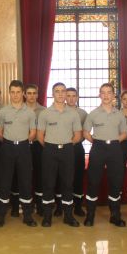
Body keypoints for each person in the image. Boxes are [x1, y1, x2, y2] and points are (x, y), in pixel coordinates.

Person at [37, 82, 82, 227]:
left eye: (63, 91)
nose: (61, 94)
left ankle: (68, 216)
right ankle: (47, 216)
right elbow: (40, 136)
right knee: (48, 183)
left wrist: (66, 145)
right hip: (49, 150)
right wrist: (51, 146)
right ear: (52, 94)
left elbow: (77, 135)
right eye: (57, 91)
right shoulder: (45, 113)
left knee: (68, 183)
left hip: (68, 150)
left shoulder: (73, 113)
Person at [83, 83, 127, 227]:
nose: (106, 95)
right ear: (99, 95)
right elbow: (85, 132)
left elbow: (124, 133)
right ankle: (90, 215)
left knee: (116, 181)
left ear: (113, 95)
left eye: (109, 92)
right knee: (93, 181)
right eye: (103, 92)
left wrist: (113, 142)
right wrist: (96, 142)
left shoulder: (119, 114)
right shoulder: (93, 114)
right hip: (98, 148)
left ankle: (115, 216)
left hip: (115, 148)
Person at [0, 80, 37, 227]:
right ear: (9, 93)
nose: (15, 95)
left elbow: (33, 132)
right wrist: (10, 142)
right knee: (4, 182)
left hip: (24, 148)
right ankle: (0, 217)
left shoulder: (30, 112)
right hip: (7, 148)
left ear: (23, 93)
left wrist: (22, 142)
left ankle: (27, 216)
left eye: (18, 92)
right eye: (12, 92)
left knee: (25, 182)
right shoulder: (3, 112)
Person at [66, 87, 88, 217]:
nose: (71, 98)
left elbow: (85, 132)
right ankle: (61, 206)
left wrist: (75, 141)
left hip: (77, 148)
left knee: (78, 177)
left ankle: (78, 206)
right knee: (63, 177)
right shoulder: (60, 111)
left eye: (73, 96)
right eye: (68, 95)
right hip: (63, 148)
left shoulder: (83, 113)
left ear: (77, 97)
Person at [25, 84, 46, 215]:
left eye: (34, 93)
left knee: (40, 175)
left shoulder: (44, 111)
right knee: (24, 175)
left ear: (37, 95)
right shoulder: (20, 109)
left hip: (38, 146)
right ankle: (26, 204)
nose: (32, 96)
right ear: (24, 95)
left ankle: (40, 205)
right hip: (23, 146)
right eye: (29, 93)